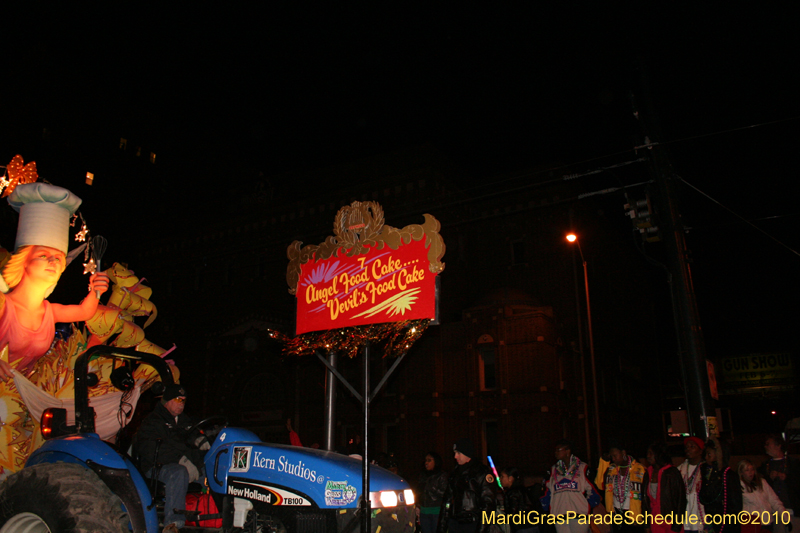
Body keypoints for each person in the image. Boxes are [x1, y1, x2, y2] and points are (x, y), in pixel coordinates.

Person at [135, 384, 209, 533]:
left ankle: (214, 516)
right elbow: (152, 450)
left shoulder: (184, 421)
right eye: (177, 399)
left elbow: (192, 436)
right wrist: (182, 460)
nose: (181, 403)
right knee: (178, 473)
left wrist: (202, 441)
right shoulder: (153, 421)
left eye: (183, 400)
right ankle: (173, 523)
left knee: (211, 473)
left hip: (183, 463)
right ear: (167, 400)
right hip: (155, 466)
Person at [437, 437, 497, 533]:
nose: (455, 456)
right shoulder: (455, 473)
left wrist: (481, 530)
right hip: (455, 523)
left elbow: (488, 505)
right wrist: (442, 527)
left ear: (467, 453)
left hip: (472, 525)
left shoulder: (481, 473)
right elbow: (446, 502)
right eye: (455, 453)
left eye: (458, 453)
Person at [541, 439, 601, 533]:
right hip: (559, 515)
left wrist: (586, 506)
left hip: (579, 515)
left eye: (558, 450)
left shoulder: (583, 468)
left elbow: (595, 492)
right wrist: (549, 506)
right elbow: (546, 492)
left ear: (568, 451)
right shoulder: (552, 471)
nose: (555, 453)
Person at [602, 442, 648, 533]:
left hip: (633, 515)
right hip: (616, 513)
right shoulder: (611, 469)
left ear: (623, 453)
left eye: (615, 456)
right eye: (612, 457)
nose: (613, 459)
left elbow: (646, 497)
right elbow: (600, 485)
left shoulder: (640, 469)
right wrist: (604, 463)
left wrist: (643, 519)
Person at [698, 437, 742, 533]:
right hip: (712, 522)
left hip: (727, 525)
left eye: (709, 454)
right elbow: (704, 499)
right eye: (706, 454)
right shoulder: (707, 474)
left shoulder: (729, 475)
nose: (706, 457)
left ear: (719, 455)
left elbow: (735, 505)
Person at [759, 434, 800, 533]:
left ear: (778, 445)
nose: (766, 446)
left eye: (768, 444)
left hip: (793, 510)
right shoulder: (765, 466)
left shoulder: (793, 463)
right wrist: (769, 478)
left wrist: (786, 478)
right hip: (774, 512)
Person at [645, 441, 687, 533]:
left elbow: (681, 500)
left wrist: (677, 524)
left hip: (670, 519)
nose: (648, 456)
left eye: (651, 453)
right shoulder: (648, 472)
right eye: (647, 453)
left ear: (659, 454)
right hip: (654, 518)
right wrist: (646, 523)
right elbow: (645, 501)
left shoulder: (671, 473)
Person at [739, 458, 786, 533]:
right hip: (752, 525)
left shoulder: (762, 482)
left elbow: (774, 501)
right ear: (741, 472)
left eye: (752, 469)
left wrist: (785, 517)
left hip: (768, 523)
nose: (750, 473)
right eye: (747, 470)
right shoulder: (739, 486)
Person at [679, 437, 706, 533]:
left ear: (700, 451)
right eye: (687, 447)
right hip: (685, 519)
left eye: (692, 446)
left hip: (700, 517)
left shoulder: (706, 470)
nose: (688, 449)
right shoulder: (680, 469)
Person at [417, 451, 449, 533]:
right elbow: (419, 492)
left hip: (436, 512)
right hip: (424, 511)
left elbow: (445, 494)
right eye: (425, 460)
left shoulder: (442, 475)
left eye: (429, 460)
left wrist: (432, 488)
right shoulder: (423, 475)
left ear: (436, 462)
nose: (426, 463)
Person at [500, 466, 538, 533]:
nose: (500, 479)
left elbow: (513, 511)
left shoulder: (513, 492)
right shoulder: (523, 490)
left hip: (522, 526)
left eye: (502, 476)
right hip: (532, 524)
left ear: (510, 478)